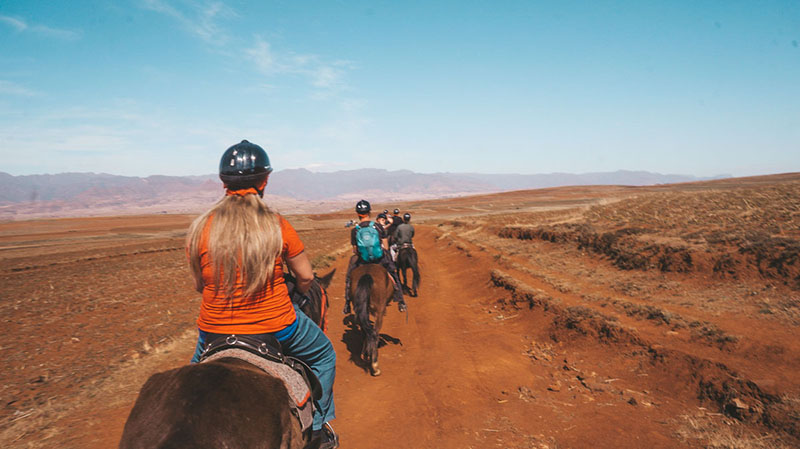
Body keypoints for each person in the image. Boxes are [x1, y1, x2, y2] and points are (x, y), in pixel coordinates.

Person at [186, 140, 338, 449]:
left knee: (187, 386)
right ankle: (319, 431)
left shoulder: (201, 228)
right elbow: (306, 276)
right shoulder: (276, 225)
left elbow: (200, 286)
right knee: (324, 355)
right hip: (277, 325)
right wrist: (301, 292)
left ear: (223, 181)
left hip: (212, 330)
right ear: (264, 180)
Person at [342, 199, 407, 314]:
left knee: (349, 276)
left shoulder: (355, 230)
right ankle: (401, 301)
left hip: (363, 260)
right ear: (369, 212)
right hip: (379, 258)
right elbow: (386, 247)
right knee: (393, 272)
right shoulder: (377, 227)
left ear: (358, 213)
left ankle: (347, 302)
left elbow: (355, 250)